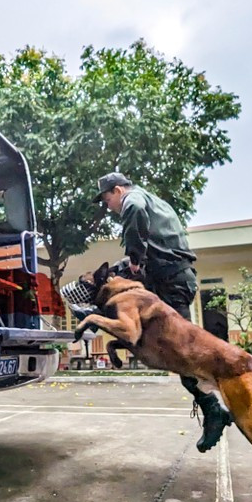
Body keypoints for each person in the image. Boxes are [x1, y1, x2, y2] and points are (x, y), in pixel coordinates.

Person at [94, 171, 231, 453]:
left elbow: (134, 212)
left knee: (180, 354)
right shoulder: (154, 202)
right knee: (156, 344)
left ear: (119, 190)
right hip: (171, 281)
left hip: (172, 283)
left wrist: (134, 260)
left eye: (108, 200)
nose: (109, 207)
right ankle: (215, 401)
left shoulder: (134, 201)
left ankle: (215, 408)